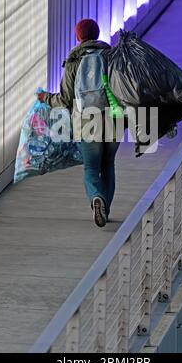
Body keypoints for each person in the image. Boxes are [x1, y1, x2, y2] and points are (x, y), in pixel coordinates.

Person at [38, 19, 120, 228]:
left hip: (86, 119)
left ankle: (96, 198)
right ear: (98, 33)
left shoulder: (74, 61)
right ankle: (105, 209)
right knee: (108, 164)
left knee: (91, 167)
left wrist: (46, 98)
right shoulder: (112, 57)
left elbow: (65, 100)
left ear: (78, 36)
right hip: (113, 116)